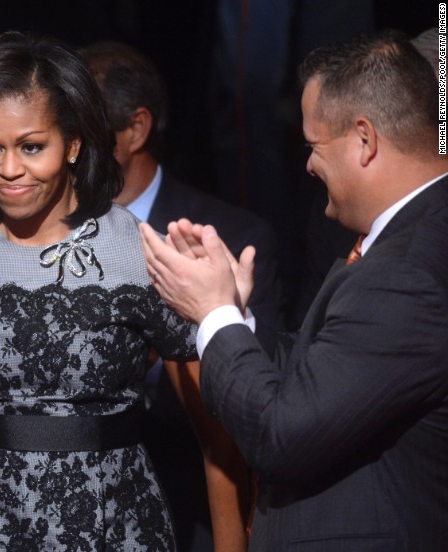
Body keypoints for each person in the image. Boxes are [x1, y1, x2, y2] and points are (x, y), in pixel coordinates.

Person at [0, 31, 200, 551]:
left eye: (32, 147)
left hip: (114, 528)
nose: (9, 170)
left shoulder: (141, 254)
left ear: (74, 142)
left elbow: (213, 436)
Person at [141, 32, 448, 550]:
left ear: (365, 140)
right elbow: (322, 380)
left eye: (313, 146)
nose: (306, 165)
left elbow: (281, 435)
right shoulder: (404, 242)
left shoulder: (409, 271)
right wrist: (237, 317)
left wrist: (214, 313)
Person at [82, 40, 286, 552]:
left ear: (135, 129)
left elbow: (264, 400)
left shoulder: (234, 238)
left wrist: (151, 360)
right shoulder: (42, 236)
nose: (63, 147)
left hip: (194, 512)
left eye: (78, 129)